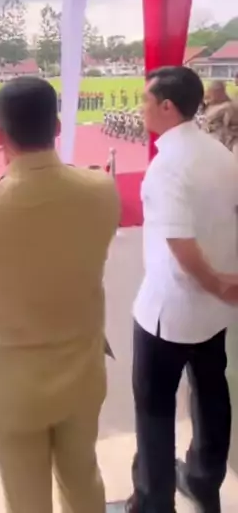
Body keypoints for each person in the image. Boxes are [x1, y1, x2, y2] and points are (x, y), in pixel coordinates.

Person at [0, 76, 119, 513]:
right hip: (81, 372)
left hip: (11, 382)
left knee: (24, 495)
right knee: (83, 479)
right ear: (57, 126)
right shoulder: (101, 188)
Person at [126, 66, 238, 513]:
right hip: (214, 308)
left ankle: (155, 501)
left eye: (146, 100)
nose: (141, 108)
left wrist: (215, 280)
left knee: (154, 409)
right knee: (211, 393)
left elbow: (180, 243)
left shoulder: (167, 167)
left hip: (168, 312)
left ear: (167, 106)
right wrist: (224, 286)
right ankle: (204, 480)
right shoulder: (220, 154)